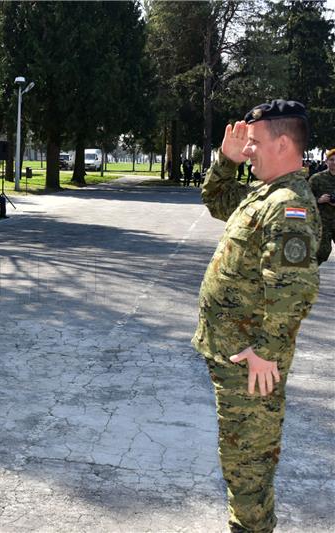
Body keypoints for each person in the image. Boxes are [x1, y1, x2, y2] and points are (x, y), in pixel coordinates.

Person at [193, 99, 320, 533]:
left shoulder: (289, 205)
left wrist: (265, 352)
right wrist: (225, 162)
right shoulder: (266, 194)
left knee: (248, 466)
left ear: (283, 142)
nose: (248, 152)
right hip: (235, 356)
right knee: (241, 459)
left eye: (254, 144)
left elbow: (296, 289)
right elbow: (216, 201)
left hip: (252, 363)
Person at [308, 147, 335, 264]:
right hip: (323, 221)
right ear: (326, 162)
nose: (334, 163)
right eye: (332, 160)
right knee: (322, 252)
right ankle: (309, 275)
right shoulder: (316, 179)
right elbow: (305, 199)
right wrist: (319, 200)